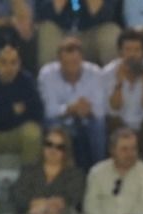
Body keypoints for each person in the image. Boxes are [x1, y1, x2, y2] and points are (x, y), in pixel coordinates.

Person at [6, 126, 86, 214]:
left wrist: (41, 205)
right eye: (49, 144)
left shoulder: (75, 174)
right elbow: (18, 195)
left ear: (66, 151)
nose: (53, 150)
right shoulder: (29, 170)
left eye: (59, 147)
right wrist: (39, 205)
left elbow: (71, 198)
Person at [103, 28, 143, 169]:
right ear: (120, 52)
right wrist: (119, 83)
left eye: (137, 50)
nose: (132, 55)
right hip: (119, 124)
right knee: (112, 122)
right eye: (127, 49)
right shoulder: (108, 73)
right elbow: (112, 110)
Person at [39, 36, 107, 169]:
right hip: (60, 120)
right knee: (54, 126)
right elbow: (48, 110)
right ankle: (65, 175)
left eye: (75, 62)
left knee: (98, 125)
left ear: (82, 59)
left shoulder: (95, 73)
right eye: (67, 63)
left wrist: (87, 110)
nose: (72, 67)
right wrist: (70, 109)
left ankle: (98, 170)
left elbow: (100, 109)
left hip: (88, 118)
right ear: (59, 60)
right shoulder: (47, 74)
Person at [0, 41, 43, 166]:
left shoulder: (26, 81)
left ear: (19, 64)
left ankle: (26, 183)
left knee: (33, 132)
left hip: (17, 135)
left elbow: (37, 114)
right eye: (3, 62)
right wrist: (13, 110)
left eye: (13, 62)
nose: (9, 68)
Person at [84, 126, 143, 214]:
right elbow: (91, 206)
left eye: (133, 149)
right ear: (112, 150)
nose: (130, 154)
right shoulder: (97, 172)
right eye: (124, 149)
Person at [36, 0, 120, 67]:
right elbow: (43, 13)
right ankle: (52, 82)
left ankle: (116, 84)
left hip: (92, 33)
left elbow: (108, 14)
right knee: (47, 29)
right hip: (61, 32)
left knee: (111, 34)